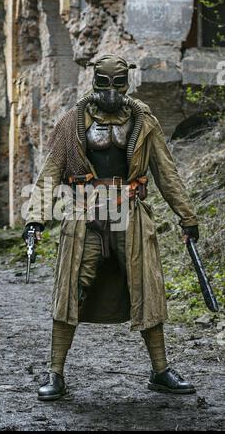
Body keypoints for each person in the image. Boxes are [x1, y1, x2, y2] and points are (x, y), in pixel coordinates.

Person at [23, 54, 199, 401]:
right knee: (70, 288)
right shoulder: (72, 122)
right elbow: (51, 173)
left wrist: (187, 216)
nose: (111, 91)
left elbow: (166, 171)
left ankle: (161, 371)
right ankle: (55, 373)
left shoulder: (143, 120)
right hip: (83, 215)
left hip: (129, 214)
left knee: (146, 287)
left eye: (118, 83)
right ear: (93, 81)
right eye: (104, 83)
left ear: (127, 82)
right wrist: (36, 219)